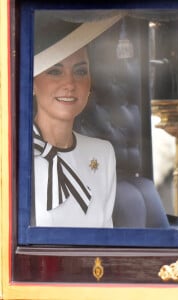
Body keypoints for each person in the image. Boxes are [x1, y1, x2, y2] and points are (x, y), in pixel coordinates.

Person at [32, 12, 121, 227]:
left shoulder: (103, 153)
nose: (70, 84)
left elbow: (105, 240)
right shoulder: (10, 156)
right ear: (33, 83)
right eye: (55, 71)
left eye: (80, 71)